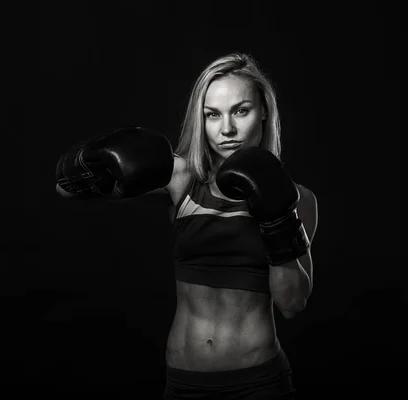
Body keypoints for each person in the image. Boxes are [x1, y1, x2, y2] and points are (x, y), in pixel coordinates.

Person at [55, 52, 318, 399]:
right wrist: (91, 160)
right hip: (184, 386)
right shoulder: (182, 180)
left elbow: (292, 303)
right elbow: (64, 190)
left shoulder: (297, 198)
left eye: (241, 110)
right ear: (202, 119)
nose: (226, 129)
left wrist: (277, 217)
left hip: (259, 384)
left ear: (264, 112)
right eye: (213, 115)